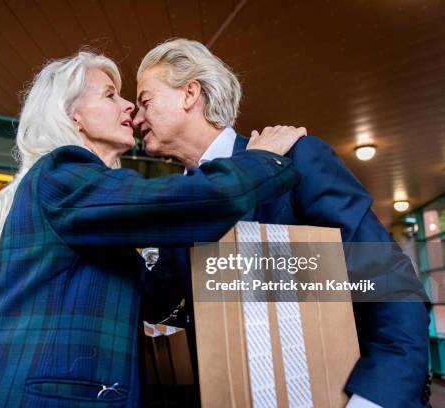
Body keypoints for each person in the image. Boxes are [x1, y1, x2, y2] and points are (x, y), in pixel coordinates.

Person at [0, 51, 305, 407]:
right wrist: (262, 160)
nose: (130, 105)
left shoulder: (90, 202)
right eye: (109, 94)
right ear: (73, 114)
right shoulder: (61, 173)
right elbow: (175, 205)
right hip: (29, 396)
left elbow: (156, 299)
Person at [134, 38, 431, 408]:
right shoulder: (180, 199)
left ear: (190, 94)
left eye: (145, 102)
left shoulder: (296, 159)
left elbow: (389, 283)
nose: (135, 118)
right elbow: (156, 303)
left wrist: (371, 400)